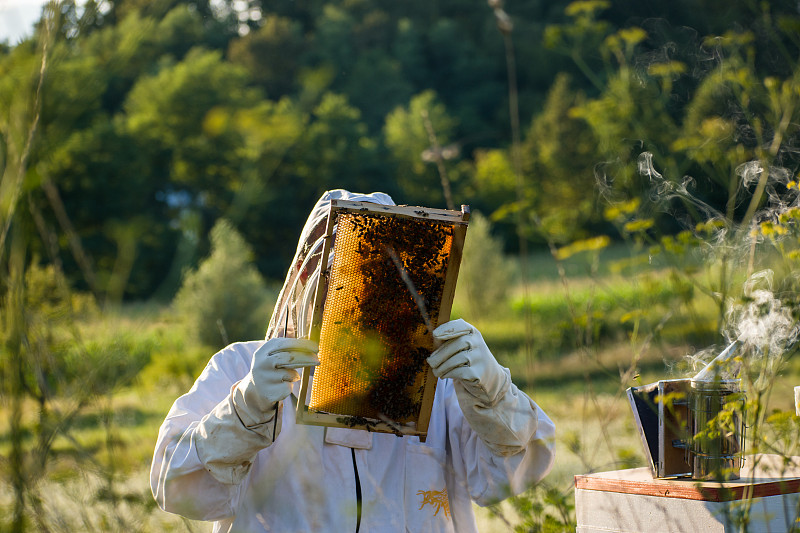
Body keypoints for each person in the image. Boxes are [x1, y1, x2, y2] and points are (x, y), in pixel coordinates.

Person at [150, 190, 556, 533]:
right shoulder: (240, 367)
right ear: (307, 274)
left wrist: (493, 393)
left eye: (382, 277)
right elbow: (174, 487)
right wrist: (244, 410)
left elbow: (511, 476)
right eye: (351, 276)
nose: (365, 298)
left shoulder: (440, 381)